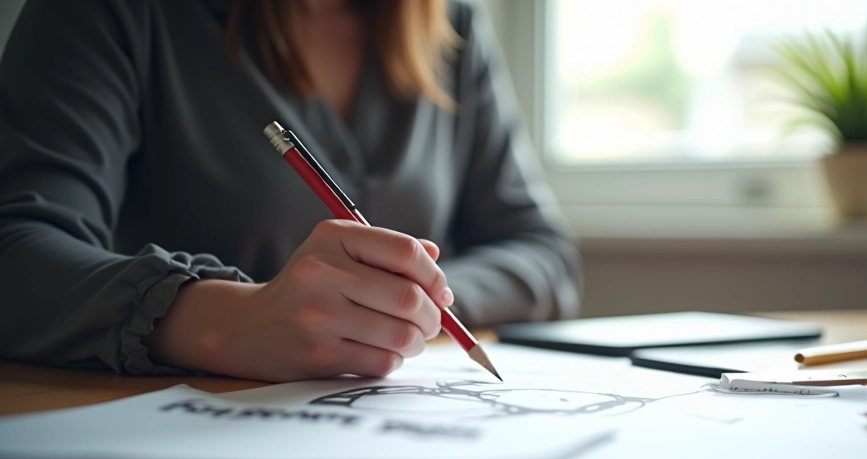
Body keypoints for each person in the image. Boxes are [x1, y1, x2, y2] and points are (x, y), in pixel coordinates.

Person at [0, 0, 582, 382]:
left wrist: (408, 304)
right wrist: (220, 320)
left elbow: (543, 254)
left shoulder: (451, 23)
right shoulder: (112, 13)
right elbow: (16, 251)